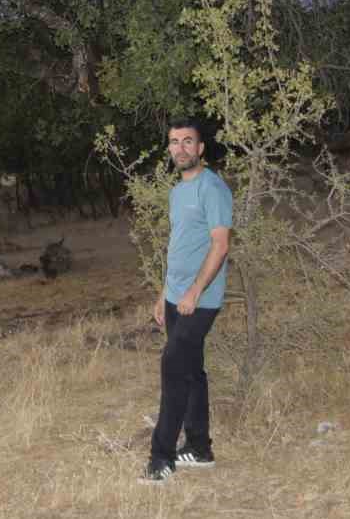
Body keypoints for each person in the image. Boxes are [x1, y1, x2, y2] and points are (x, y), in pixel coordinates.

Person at [139, 117, 233, 484]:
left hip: (201, 300)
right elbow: (177, 246)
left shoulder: (212, 188)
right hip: (177, 298)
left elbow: (220, 244)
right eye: (174, 142)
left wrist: (194, 291)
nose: (180, 148)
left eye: (187, 141)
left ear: (200, 148)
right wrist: (165, 294)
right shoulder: (177, 191)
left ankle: (161, 458)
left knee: (173, 367)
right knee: (192, 371)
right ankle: (199, 448)